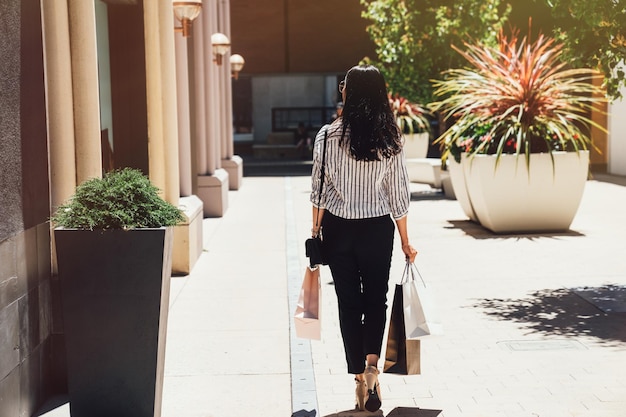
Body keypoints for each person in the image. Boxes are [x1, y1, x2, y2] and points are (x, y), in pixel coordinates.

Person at [310, 65, 418, 412]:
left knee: (348, 303)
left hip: (339, 230)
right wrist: (405, 240)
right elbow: (398, 192)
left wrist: (314, 232)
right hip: (377, 229)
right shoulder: (390, 138)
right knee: (376, 300)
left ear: (348, 93)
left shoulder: (327, 136)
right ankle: (373, 367)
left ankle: (357, 377)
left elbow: (319, 192)